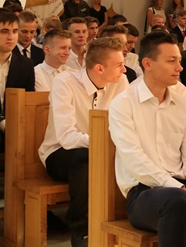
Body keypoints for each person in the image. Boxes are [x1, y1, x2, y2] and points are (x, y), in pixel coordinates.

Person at [108, 31, 186, 246]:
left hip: (183, 187)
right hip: (144, 193)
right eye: (171, 61)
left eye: (179, 61)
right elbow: (134, 160)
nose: (179, 68)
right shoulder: (123, 104)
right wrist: (183, 191)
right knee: (176, 200)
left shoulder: (183, 105)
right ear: (148, 64)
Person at [38, 37, 128, 247]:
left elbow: (126, 122)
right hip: (60, 153)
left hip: (103, 149)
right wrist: (105, 143)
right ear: (99, 68)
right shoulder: (65, 82)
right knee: (86, 158)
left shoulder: (121, 82)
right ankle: (79, 225)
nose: (124, 70)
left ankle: (122, 220)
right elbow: (67, 137)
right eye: (119, 65)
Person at [0, 9, 35, 190]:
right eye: (4, 31)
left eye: (15, 31)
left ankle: (27, 198)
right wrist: (1, 122)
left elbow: (27, 100)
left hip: (15, 122)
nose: (11, 37)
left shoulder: (25, 64)